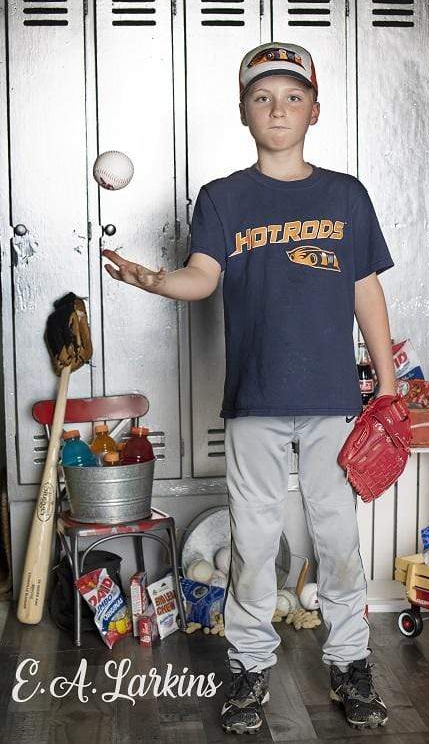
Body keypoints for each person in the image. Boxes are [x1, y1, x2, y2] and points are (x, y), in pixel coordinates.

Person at [102, 41, 397, 733]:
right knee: (254, 542)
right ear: (243, 112)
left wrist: (386, 385)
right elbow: (202, 276)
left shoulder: (346, 195)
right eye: (263, 97)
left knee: (338, 539)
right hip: (255, 400)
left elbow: (366, 289)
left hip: (332, 403)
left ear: (315, 110)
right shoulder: (223, 197)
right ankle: (249, 668)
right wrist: (155, 280)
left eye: (293, 96)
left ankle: (351, 663)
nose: (278, 109)